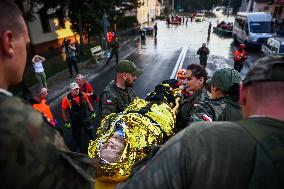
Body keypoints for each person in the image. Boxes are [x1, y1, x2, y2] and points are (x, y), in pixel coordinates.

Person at [115, 55, 284, 189]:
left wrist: (157, 152)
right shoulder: (238, 112)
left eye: (190, 79)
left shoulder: (208, 111)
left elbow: (191, 135)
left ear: (244, 92)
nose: (186, 82)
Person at [0, 1, 95, 188]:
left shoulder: (81, 94)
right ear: (9, 42)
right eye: (27, 45)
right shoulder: (18, 122)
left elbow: (88, 100)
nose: (27, 53)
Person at [62, 82, 96, 153]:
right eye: (74, 89)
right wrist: (66, 121)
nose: (77, 90)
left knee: (90, 130)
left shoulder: (83, 94)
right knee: (77, 134)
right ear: (70, 90)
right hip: (75, 120)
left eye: (77, 89)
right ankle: (78, 146)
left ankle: (94, 143)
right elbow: (64, 111)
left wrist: (92, 112)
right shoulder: (66, 99)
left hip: (85, 117)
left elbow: (88, 103)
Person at [175, 64, 210, 132]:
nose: (184, 82)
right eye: (185, 78)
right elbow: (188, 107)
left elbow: (192, 133)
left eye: (189, 79)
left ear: (201, 80)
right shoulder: (197, 94)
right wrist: (180, 98)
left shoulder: (201, 103)